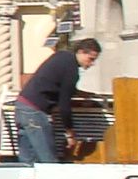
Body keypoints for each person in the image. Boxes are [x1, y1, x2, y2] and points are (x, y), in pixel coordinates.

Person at [16, 36, 102, 165]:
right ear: (81, 52)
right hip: (35, 112)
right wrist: (70, 132)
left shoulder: (61, 56)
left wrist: (78, 93)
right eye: (90, 59)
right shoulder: (72, 69)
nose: (91, 64)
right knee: (48, 160)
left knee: (27, 161)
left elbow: (54, 82)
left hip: (21, 106)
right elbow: (64, 105)